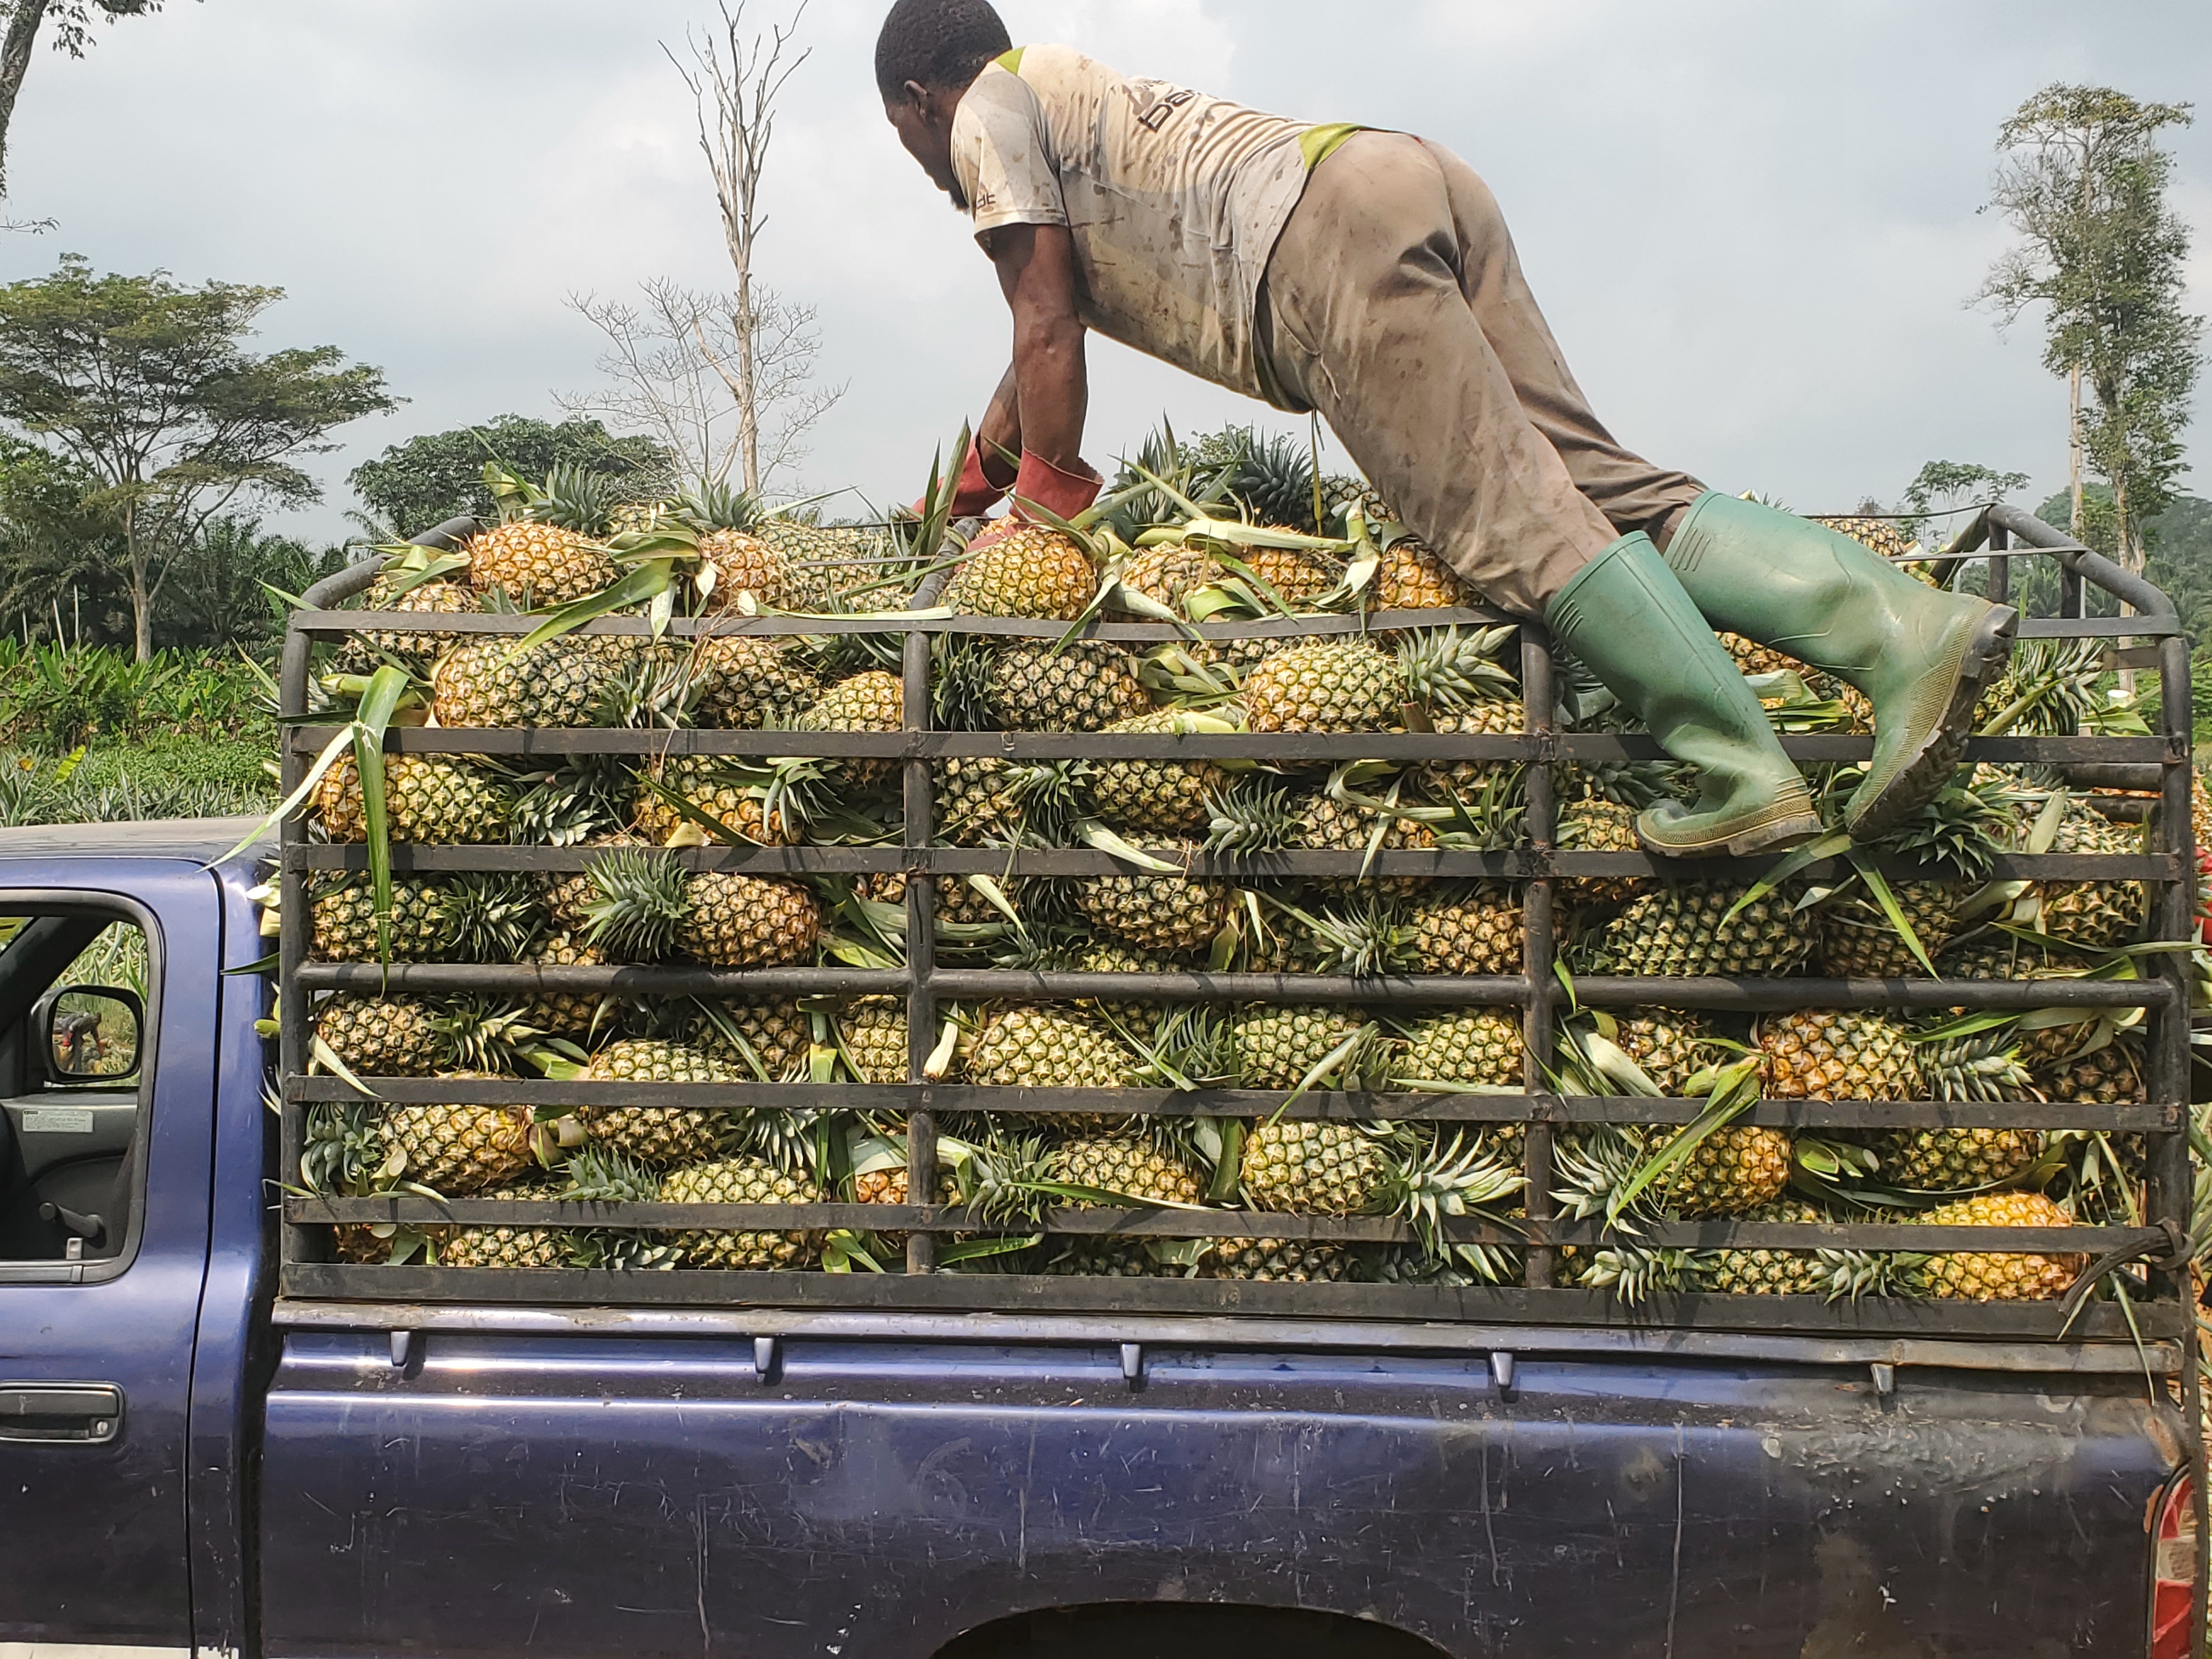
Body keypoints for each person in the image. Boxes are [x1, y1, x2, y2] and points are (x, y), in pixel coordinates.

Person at [876, 0, 2016, 854]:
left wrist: (1044, 498)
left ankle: (1735, 771)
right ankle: (1904, 628)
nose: (924, 168)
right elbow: (1043, 336)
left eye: (904, 141)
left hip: (1318, 249)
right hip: (1398, 174)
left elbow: (1043, 321)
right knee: (1596, 487)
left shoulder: (981, 115)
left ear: (920, 101)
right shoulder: (1059, 89)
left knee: (1507, 526)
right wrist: (981, 471)